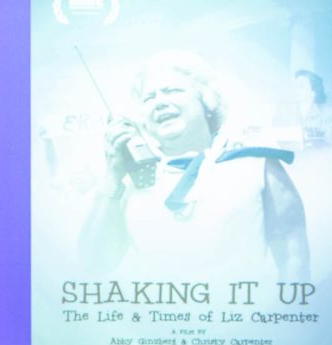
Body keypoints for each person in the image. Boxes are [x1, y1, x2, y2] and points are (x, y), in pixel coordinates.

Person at [79, 51, 310, 281]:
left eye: (172, 91)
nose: (159, 102)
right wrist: (113, 175)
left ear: (205, 100)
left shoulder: (257, 164)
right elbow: (95, 263)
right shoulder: (128, 182)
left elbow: (293, 256)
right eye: (149, 98)